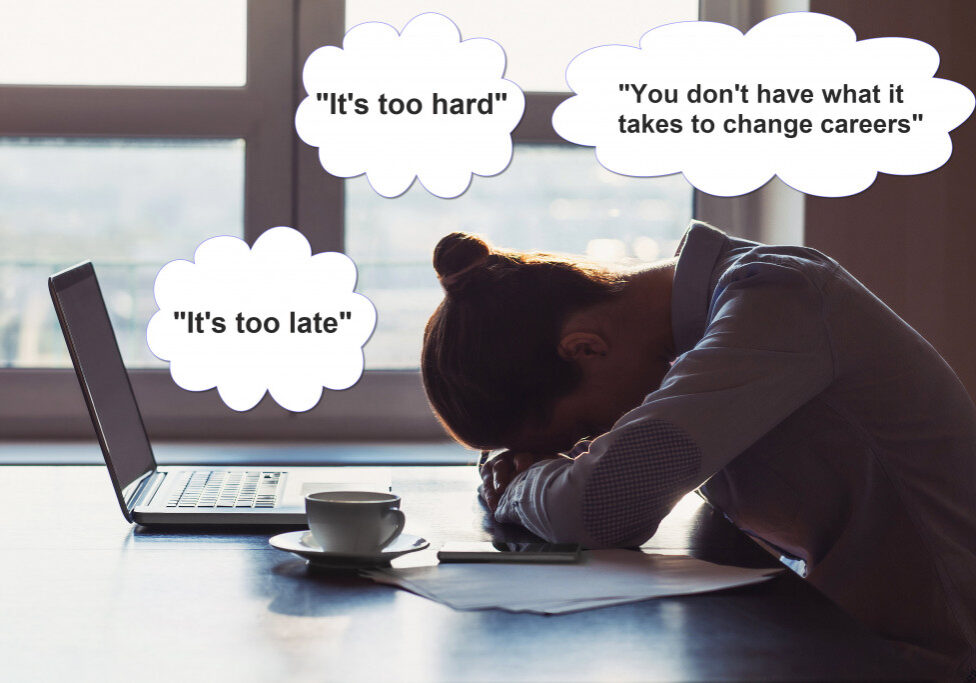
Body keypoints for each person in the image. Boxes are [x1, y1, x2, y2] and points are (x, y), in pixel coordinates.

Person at [421, 222, 976, 679]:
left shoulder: (778, 302)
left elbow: (603, 505)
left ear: (584, 348)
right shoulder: (721, 316)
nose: (595, 444)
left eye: (584, 428)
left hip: (928, 655)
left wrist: (518, 488)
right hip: (845, 631)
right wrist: (517, 464)